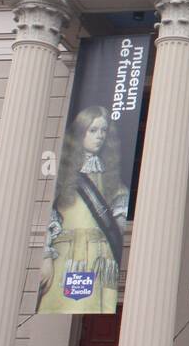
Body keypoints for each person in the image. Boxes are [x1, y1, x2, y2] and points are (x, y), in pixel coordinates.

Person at [37, 106, 129, 313]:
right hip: (68, 256)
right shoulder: (62, 176)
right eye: (93, 130)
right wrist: (45, 258)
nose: (100, 137)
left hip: (101, 257)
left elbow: (119, 220)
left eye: (103, 131)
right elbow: (48, 216)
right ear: (81, 132)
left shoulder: (112, 179)